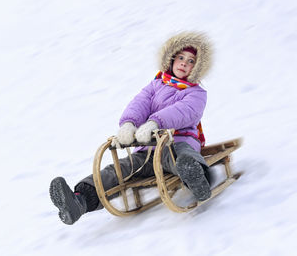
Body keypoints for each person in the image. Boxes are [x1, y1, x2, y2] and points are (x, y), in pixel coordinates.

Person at [49, 31, 213, 225]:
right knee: (118, 170)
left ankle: (199, 178)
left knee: (183, 158)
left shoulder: (197, 93)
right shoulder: (156, 85)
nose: (184, 63)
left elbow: (184, 111)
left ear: (198, 67)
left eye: (191, 60)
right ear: (170, 59)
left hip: (175, 143)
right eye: (180, 57)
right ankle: (80, 200)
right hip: (147, 150)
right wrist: (129, 124)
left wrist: (155, 123)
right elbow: (140, 103)